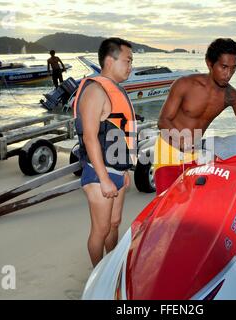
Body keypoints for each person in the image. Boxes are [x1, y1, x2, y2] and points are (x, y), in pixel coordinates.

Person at [155, 38, 236, 195]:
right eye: (223, 67)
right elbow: (163, 120)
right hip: (169, 148)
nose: (228, 74)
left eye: (233, 68)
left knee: (191, 202)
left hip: (195, 152)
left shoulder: (231, 96)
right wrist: (180, 139)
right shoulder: (185, 84)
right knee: (166, 203)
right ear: (209, 63)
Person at [73, 38, 136, 267]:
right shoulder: (95, 90)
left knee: (114, 222)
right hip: (99, 174)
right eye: (128, 60)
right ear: (110, 60)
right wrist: (104, 178)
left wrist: (125, 169)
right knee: (100, 230)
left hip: (116, 170)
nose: (131, 66)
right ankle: (98, 275)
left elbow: (119, 133)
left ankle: (111, 265)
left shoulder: (114, 90)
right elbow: (90, 137)